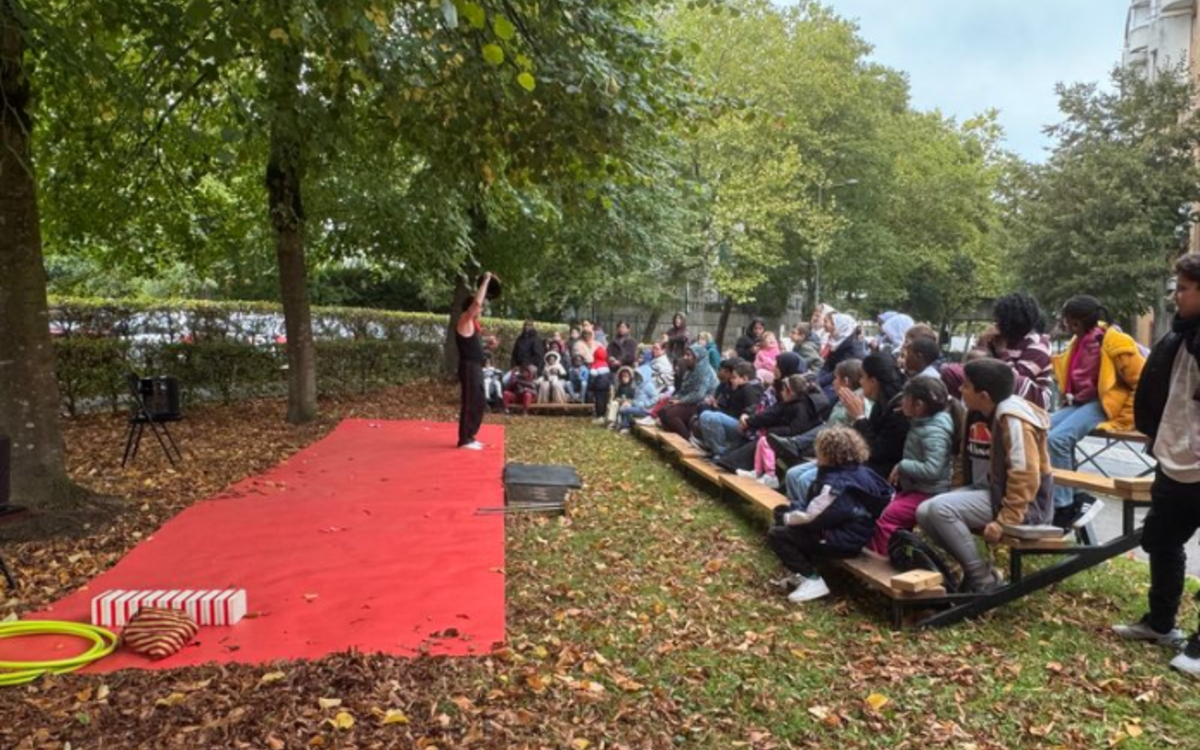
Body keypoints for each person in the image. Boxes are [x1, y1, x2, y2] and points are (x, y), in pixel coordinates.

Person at [1113, 253, 1200, 675]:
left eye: (1183, 288)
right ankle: (1161, 624)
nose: (1175, 295)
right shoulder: (1176, 338)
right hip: (1173, 460)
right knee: (1162, 541)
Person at [916, 358, 1054, 593]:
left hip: (1025, 505)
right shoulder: (975, 412)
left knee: (941, 510)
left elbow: (1026, 476)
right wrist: (956, 491)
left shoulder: (1013, 419)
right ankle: (979, 572)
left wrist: (1006, 520)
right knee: (924, 512)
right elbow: (964, 460)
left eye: (966, 386)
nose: (960, 390)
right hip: (987, 492)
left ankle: (981, 578)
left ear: (984, 395)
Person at [768, 426, 894, 604]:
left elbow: (815, 517)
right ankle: (801, 574)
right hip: (852, 534)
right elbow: (821, 507)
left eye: (818, 449)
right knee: (789, 526)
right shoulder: (859, 472)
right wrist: (793, 509)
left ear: (828, 454)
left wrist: (786, 516)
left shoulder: (836, 482)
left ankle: (812, 580)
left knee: (778, 534)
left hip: (843, 539)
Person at [1048, 295, 1145, 523]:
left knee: (1058, 440)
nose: (1062, 323)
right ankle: (1072, 493)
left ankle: (1064, 506)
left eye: (1064, 319)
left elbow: (1141, 380)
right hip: (1081, 402)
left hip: (1103, 403)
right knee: (1041, 430)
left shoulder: (1114, 341)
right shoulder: (1079, 339)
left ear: (1075, 323)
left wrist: (1124, 418)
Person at [786, 352, 909, 506]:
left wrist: (859, 417)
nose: (860, 381)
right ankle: (798, 515)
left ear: (874, 381)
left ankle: (813, 521)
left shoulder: (898, 411)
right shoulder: (881, 402)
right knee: (793, 473)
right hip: (858, 462)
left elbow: (877, 452)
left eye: (863, 377)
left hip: (877, 472)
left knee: (806, 480)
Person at [868, 377, 958, 555]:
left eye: (905, 398)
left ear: (919, 405)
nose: (901, 402)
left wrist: (903, 465)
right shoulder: (924, 421)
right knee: (883, 507)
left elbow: (933, 469)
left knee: (890, 515)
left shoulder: (935, 431)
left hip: (929, 492)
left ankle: (879, 563)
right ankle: (890, 553)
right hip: (915, 489)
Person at [734, 374, 829, 489]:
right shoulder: (792, 403)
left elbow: (796, 429)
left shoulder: (801, 408)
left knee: (767, 441)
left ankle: (771, 475)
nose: (781, 393)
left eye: (784, 390)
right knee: (763, 440)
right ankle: (757, 471)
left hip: (797, 443)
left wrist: (774, 430)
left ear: (791, 392)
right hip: (788, 437)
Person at [973, 292, 1054, 411]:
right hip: (1000, 392)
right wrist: (983, 343)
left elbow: (1013, 381)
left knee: (1011, 381)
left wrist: (1002, 351)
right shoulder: (998, 338)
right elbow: (976, 368)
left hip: (1033, 399)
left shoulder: (1039, 344)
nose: (997, 324)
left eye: (1001, 321)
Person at [455, 272, 493, 450]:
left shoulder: (473, 325)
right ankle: (464, 439)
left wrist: (487, 345)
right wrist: (486, 281)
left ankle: (471, 435)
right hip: (468, 366)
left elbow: (474, 345)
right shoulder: (464, 319)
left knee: (479, 401)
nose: (480, 309)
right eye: (478, 307)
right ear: (470, 307)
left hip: (476, 366)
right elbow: (477, 302)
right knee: (470, 401)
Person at [696, 361, 763, 456]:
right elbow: (732, 410)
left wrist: (745, 416)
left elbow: (753, 409)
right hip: (735, 422)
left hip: (744, 428)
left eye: (734, 378)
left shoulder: (749, 389)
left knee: (709, 417)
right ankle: (714, 449)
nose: (731, 380)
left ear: (744, 379)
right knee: (705, 412)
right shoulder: (737, 388)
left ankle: (721, 452)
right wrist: (717, 407)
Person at [659, 344, 718, 439]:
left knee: (671, 414)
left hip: (702, 404)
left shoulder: (705, 372)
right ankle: (673, 440)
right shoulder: (691, 371)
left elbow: (698, 394)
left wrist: (680, 401)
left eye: (688, 355)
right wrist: (675, 398)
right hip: (689, 401)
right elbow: (684, 390)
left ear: (697, 357)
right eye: (685, 354)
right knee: (663, 410)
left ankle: (687, 439)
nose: (685, 357)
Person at [816, 313, 866, 402]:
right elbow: (828, 365)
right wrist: (818, 379)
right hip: (835, 379)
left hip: (846, 383)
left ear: (839, 325)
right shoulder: (837, 341)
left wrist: (819, 383)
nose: (824, 325)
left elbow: (839, 371)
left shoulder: (852, 346)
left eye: (826, 322)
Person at [617, 366, 661, 432]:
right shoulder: (638, 384)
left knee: (626, 410)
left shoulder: (649, 385)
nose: (637, 377)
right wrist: (630, 402)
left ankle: (626, 427)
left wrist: (644, 404)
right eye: (636, 375)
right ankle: (621, 424)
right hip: (637, 406)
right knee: (624, 407)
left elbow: (656, 398)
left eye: (639, 375)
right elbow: (637, 398)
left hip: (645, 410)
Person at [588, 344, 612, 422]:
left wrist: (590, 387)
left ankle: (600, 416)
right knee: (604, 400)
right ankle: (604, 414)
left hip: (598, 386)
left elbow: (592, 376)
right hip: (606, 386)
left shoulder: (595, 365)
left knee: (599, 401)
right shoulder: (606, 364)